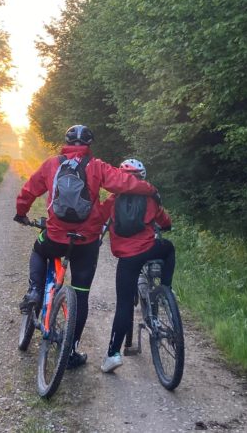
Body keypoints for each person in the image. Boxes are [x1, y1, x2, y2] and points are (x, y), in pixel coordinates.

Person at [14, 125, 158, 369]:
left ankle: (35, 290)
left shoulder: (52, 164)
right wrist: (150, 189)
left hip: (56, 236)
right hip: (86, 242)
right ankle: (70, 352)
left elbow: (29, 189)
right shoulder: (97, 166)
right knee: (81, 295)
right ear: (89, 144)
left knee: (39, 249)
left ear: (66, 142)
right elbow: (124, 183)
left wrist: (21, 212)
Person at [99, 157, 175, 373]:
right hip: (150, 249)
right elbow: (164, 221)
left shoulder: (112, 201)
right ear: (142, 178)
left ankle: (113, 355)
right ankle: (166, 290)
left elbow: (98, 219)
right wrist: (166, 226)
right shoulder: (151, 199)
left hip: (128, 258)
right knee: (169, 248)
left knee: (123, 305)